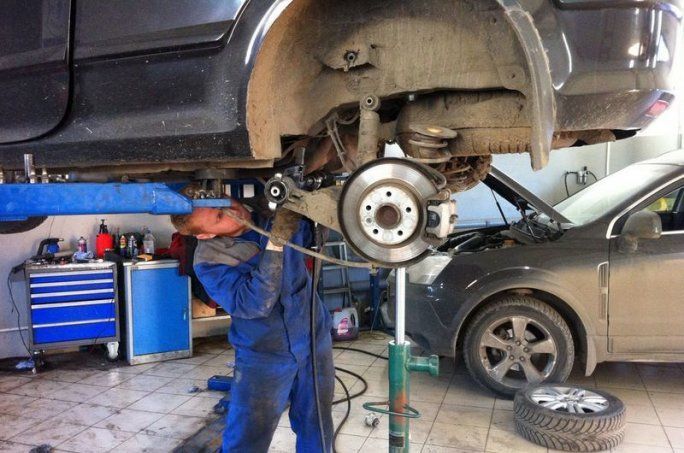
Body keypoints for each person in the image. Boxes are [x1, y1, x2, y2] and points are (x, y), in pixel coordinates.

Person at [171, 200, 334, 453]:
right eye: (219, 216)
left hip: (313, 335)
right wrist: (275, 244)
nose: (232, 211)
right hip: (264, 353)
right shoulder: (210, 262)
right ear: (206, 234)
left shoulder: (271, 215)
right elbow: (254, 304)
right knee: (248, 437)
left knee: (317, 423)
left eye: (224, 201)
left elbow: (313, 236)